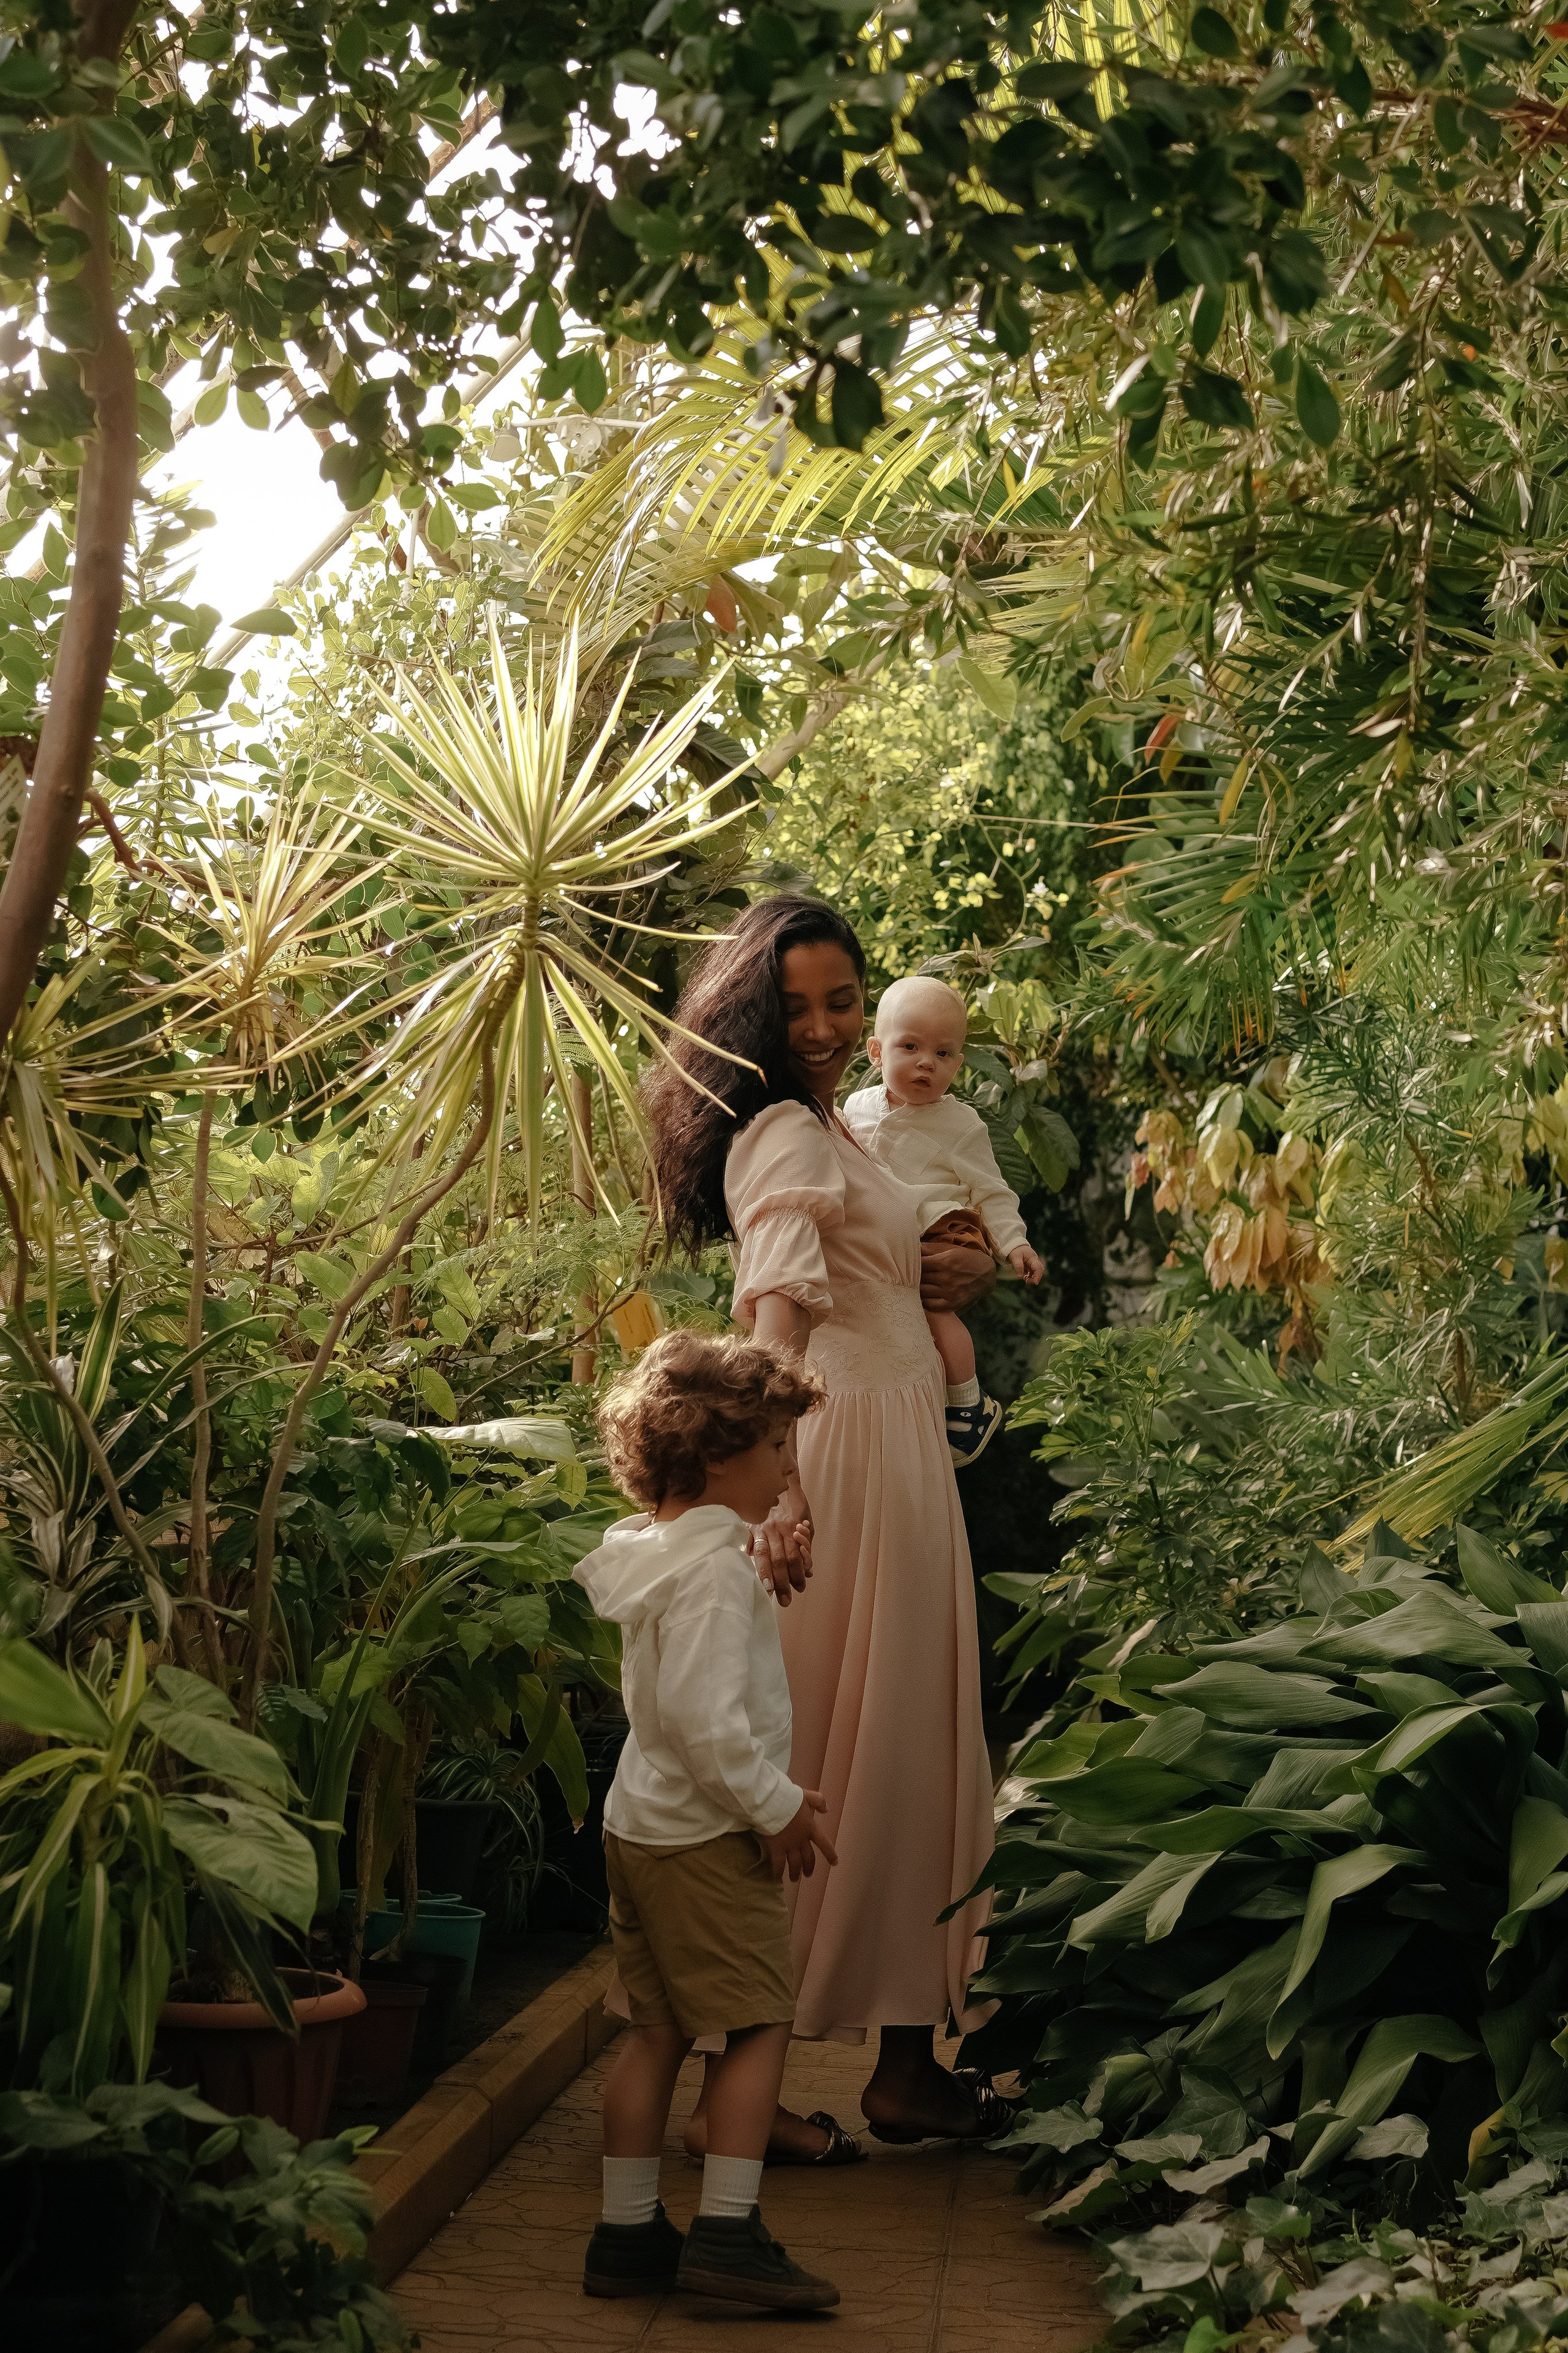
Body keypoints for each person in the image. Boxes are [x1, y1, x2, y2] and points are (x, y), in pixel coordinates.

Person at [644, 894, 1007, 2156]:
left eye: (842, 1002)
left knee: (905, 1745)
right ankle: (732, 2090)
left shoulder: (838, 1130)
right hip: (844, 1453)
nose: (824, 1028)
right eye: (792, 1007)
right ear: (748, 1017)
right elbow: (776, 1322)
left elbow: (881, 1272)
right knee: (822, 1753)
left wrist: (949, 1271)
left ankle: (903, 2066)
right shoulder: (787, 1136)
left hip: (895, 1445)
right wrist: (779, 1482)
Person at [576, 1331, 840, 2311]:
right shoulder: (718, 1574)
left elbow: (673, 1716)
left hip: (639, 1826)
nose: (786, 1469)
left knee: (657, 2033)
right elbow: (705, 1723)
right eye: (777, 1447)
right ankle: (728, 2234)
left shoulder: (653, 1552)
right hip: (700, 1838)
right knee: (759, 2024)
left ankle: (629, 2233)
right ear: (721, 1454)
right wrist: (778, 1809)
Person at [843, 974, 1044, 1468]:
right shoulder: (855, 1107)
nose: (927, 1063)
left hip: (939, 1227)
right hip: (884, 1237)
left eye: (945, 1053)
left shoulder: (960, 1124)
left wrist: (1014, 1243)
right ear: (876, 1051)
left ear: (959, 1062)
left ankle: (970, 1402)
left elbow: (991, 1190)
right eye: (909, 1046)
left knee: (936, 1311)